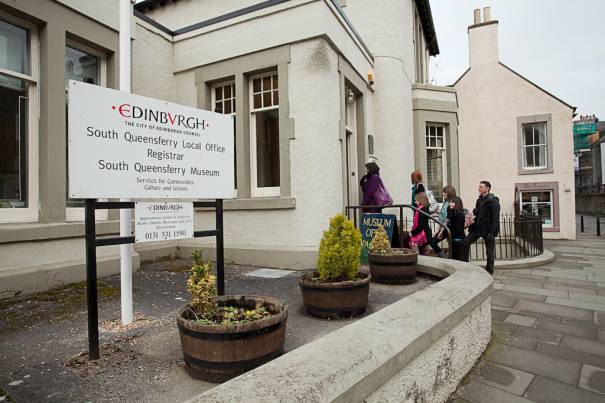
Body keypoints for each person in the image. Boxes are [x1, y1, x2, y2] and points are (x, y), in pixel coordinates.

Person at [463, 180, 500, 274]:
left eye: (481, 187)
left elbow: (495, 218)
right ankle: (465, 266)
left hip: (488, 230)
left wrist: (492, 232)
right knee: (465, 243)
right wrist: (476, 211)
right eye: (479, 187)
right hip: (478, 228)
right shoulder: (479, 200)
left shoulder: (494, 201)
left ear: (487, 188)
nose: (479, 188)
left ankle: (490, 270)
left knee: (489, 251)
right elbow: (479, 214)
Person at [429, 185, 457, 257]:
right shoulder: (445, 202)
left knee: (452, 246)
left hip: (448, 227)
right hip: (443, 227)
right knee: (432, 242)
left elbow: (447, 218)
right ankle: (444, 257)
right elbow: (441, 216)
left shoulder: (452, 203)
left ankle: (448, 258)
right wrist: (437, 230)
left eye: (444, 192)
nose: (443, 194)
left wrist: (441, 230)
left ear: (449, 193)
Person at [447, 196, 466, 261]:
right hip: (454, 240)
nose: (450, 204)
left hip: (458, 241)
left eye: (453, 202)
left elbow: (458, 229)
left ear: (457, 203)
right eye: (450, 202)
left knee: (459, 260)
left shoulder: (459, 215)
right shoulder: (452, 213)